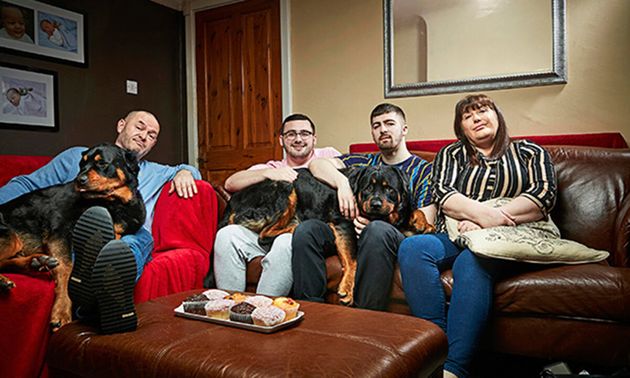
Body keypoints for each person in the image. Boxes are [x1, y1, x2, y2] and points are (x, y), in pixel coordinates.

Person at [397, 94, 557, 378]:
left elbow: (543, 196)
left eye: (483, 111)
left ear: (498, 116)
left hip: (515, 235)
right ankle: (434, 346)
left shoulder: (530, 152)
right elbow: (444, 194)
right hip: (459, 233)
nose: (477, 118)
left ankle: (453, 369)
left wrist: (488, 224)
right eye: (468, 116)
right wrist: (483, 217)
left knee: (471, 261)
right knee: (413, 247)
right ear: (461, 128)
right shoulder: (451, 155)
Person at [0, 110, 202, 333]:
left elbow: (192, 170)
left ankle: (110, 287)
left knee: (141, 236)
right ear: (121, 125)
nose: (144, 135)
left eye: (152, 135)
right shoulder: (76, 157)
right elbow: (27, 185)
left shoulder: (154, 171)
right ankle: (97, 297)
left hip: (124, 231)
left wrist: (185, 172)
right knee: (94, 231)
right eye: (140, 127)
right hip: (75, 230)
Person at [291, 103, 433, 310]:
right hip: (352, 230)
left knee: (376, 230)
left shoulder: (423, 170)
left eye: (389, 123)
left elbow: (424, 226)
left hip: (391, 236)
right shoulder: (362, 162)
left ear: (404, 129)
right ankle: (312, 311)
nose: (383, 129)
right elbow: (316, 165)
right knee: (307, 230)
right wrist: (343, 185)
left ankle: (366, 315)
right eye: (376, 125)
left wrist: (378, 224)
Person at [213, 113, 340, 296]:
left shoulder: (328, 155)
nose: (298, 139)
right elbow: (231, 183)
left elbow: (346, 172)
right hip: (266, 234)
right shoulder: (272, 167)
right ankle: (230, 305)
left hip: (301, 237)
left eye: (304, 133)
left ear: (314, 138)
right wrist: (267, 174)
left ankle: (262, 307)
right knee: (227, 235)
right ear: (281, 140)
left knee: (285, 241)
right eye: (291, 134)